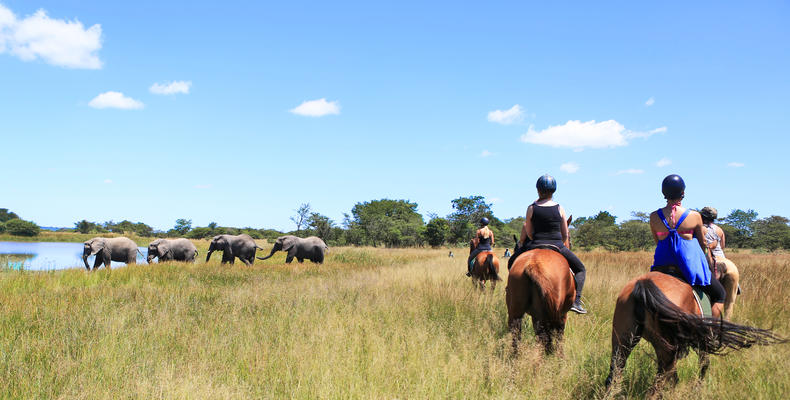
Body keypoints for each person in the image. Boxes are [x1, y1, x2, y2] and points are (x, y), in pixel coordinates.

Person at [508, 174, 588, 314]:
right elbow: (565, 234)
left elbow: (529, 231)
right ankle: (576, 302)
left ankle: (512, 290)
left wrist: (535, 239)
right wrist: (560, 242)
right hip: (557, 245)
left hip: (535, 244)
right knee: (581, 269)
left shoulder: (531, 207)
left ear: (538, 190)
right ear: (554, 191)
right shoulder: (559, 208)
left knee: (512, 262)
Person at [650, 175, 726, 318]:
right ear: (683, 193)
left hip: (661, 264)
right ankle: (711, 330)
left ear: (663, 193)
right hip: (688, 266)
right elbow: (703, 243)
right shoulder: (694, 215)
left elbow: (657, 241)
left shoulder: (654, 216)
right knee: (720, 294)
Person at [700, 206, 740, 319]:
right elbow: (722, 246)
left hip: (707, 258)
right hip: (722, 258)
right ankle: (727, 322)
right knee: (730, 302)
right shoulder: (720, 230)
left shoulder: (700, 228)